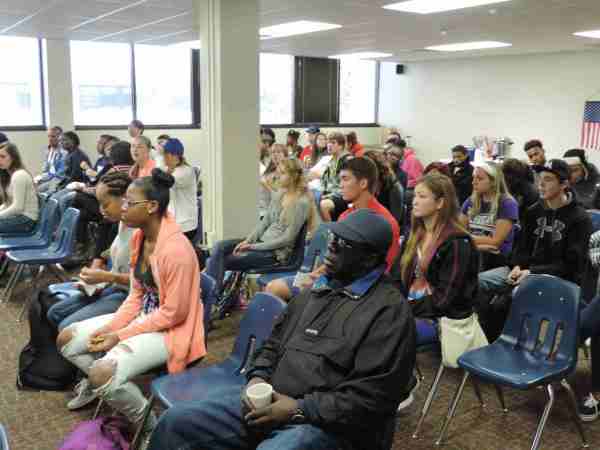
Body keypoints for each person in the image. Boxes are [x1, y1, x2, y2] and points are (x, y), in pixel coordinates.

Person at [147, 208, 417, 450]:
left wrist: (298, 409)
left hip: (332, 426)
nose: (330, 248)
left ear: (369, 259)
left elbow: (372, 399)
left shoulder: (388, 312)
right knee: (176, 423)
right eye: (332, 239)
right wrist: (257, 377)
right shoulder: (316, 291)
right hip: (273, 403)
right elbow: (272, 345)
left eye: (343, 245)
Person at [57, 168, 205, 439]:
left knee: (103, 373)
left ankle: (152, 429)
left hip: (171, 329)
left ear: (151, 207)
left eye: (129, 202)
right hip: (145, 317)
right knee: (67, 339)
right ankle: (99, 385)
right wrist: (112, 326)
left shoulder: (177, 250)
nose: (122, 207)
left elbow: (173, 314)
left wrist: (119, 335)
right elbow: (136, 294)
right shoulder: (140, 236)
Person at [477, 159, 592, 340]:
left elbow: (572, 265)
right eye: (539, 178)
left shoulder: (580, 218)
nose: (540, 184)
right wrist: (517, 265)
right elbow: (521, 247)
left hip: (557, 279)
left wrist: (531, 272)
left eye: (548, 179)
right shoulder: (533, 211)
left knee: (505, 302)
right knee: (476, 283)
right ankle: (481, 339)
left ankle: (507, 347)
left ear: (564, 184)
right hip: (522, 271)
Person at [265, 157, 400, 302]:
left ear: (363, 183)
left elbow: (383, 272)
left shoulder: (386, 223)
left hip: (355, 290)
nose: (340, 185)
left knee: (283, 292)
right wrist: (317, 274)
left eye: (345, 179)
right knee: (273, 288)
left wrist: (322, 281)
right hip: (331, 278)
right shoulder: (345, 216)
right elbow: (335, 260)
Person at [207, 158, 318, 295]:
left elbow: (287, 239)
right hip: (262, 244)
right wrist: (248, 241)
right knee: (219, 247)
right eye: (278, 172)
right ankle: (210, 297)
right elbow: (264, 222)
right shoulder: (280, 194)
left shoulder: (302, 202)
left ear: (294, 176)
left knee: (220, 260)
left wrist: (252, 246)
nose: (277, 176)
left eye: (282, 173)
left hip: (275, 254)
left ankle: (210, 298)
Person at [47, 171, 134, 339]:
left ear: (124, 199)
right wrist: (95, 280)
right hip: (116, 287)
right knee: (54, 312)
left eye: (105, 204)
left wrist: (105, 277)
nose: (101, 210)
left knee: (65, 325)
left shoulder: (139, 230)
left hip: (131, 296)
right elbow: (113, 259)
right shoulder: (120, 224)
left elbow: (144, 282)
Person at [391, 172, 479, 325]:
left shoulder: (457, 242)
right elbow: (396, 277)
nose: (415, 202)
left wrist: (401, 309)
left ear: (440, 203)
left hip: (442, 320)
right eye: (415, 196)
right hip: (412, 309)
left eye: (422, 197)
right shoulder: (414, 236)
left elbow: (444, 300)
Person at [460, 162, 518, 270]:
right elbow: (458, 234)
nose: (473, 182)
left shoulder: (507, 203)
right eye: (473, 178)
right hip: (474, 253)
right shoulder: (470, 201)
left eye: (480, 179)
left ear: (493, 181)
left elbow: (495, 242)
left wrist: (467, 240)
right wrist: (479, 246)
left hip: (497, 261)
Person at [162, 138, 198, 241]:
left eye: (166, 155)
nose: (164, 158)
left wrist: (167, 171)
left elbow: (167, 181)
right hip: (174, 221)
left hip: (185, 225)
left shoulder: (186, 171)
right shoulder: (170, 169)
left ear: (175, 156)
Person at [0, 142, 40, 234]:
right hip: (19, 217)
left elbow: (18, 207)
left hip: (26, 220)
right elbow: (7, 204)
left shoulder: (19, 175)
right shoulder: (9, 175)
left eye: (3, 157)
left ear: (13, 158)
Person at [319, 132, 352, 222]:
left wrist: (329, 196)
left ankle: (330, 231)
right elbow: (324, 181)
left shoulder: (348, 160)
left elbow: (348, 184)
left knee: (323, 205)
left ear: (341, 146)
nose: (329, 145)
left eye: (333, 143)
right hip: (331, 194)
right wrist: (321, 193)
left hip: (344, 195)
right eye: (328, 142)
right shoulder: (331, 160)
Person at [259, 144, 288, 219]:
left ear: (285, 155)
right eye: (273, 152)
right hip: (264, 210)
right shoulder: (267, 172)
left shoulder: (288, 172)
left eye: (278, 152)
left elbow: (278, 196)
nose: (275, 155)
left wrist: (266, 184)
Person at [36, 126, 66, 193]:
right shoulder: (48, 150)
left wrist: (43, 179)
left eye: (53, 136)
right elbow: (45, 170)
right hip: (49, 178)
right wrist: (39, 179)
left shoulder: (64, 152)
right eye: (49, 136)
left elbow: (60, 174)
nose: (50, 139)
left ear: (60, 138)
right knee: (31, 186)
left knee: (37, 191)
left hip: (58, 180)